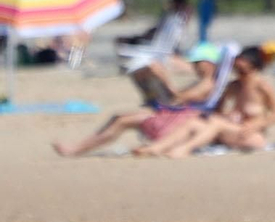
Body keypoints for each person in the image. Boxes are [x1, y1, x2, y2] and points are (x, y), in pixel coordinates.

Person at [52, 44, 229, 157]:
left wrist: (162, 77)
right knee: (119, 118)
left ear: (209, 63)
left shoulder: (207, 83)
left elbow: (176, 98)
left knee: (122, 120)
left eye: (198, 63)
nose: (195, 67)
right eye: (194, 63)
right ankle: (77, 148)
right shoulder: (201, 82)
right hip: (173, 117)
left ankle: (76, 150)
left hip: (178, 123)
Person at [133, 45, 275, 158]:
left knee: (216, 123)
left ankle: (185, 149)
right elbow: (218, 110)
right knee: (194, 122)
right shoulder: (234, 86)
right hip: (232, 131)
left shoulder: (261, 85)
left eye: (242, 63)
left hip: (252, 136)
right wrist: (228, 115)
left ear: (252, 64)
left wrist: (257, 124)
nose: (237, 66)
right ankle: (156, 148)